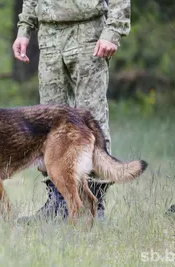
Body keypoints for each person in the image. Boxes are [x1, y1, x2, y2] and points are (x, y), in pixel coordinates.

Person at [12, 0, 131, 223]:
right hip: (49, 35)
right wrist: (24, 29)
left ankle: (95, 204)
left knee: (92, 120)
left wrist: (113, 31)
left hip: (88, 33)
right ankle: (57, 203)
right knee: (49, 125)